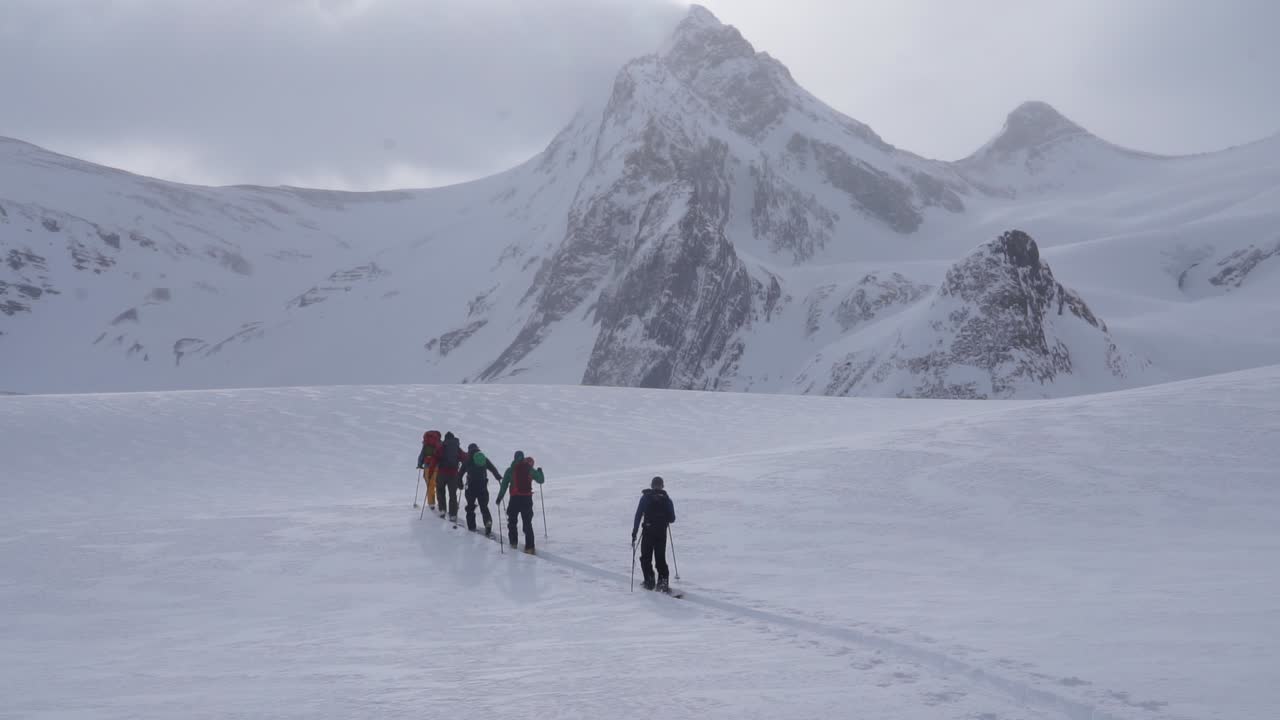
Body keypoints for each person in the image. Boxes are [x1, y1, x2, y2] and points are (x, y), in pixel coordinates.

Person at [632, 476, 676, 592]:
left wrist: (634, 532)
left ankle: (649, 581)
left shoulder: (645, 498)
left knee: (646, 557)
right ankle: (663, 584)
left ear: (652, 485)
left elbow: (638, 515)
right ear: (662, 486)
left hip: (648, 532)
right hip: (661, 533)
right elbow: (672, 519)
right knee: (660, 558)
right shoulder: (667, 499)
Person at [495, 451, 544, 554]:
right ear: (523, 458)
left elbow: (504, 486)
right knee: (527, 523)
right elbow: (540, 480)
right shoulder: (529, 468)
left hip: (515, 499)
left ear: (514, 458)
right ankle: (530, 547)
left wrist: (499, 498)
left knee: (512, 521)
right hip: (527, 499)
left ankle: (513, 543)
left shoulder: (510, 470)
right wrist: (540, 471)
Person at [460, 443, 502, 535]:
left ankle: (471, 527)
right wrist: (498, 477)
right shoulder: (483, 458)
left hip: (471, 487)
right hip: (482, 486)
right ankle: (488, 522)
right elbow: (492, 468)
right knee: (484, 506)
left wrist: (459, 484)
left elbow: (460, 474)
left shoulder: (467, 460)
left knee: (470, 506)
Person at [434, 431, 465, 520]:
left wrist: (431, 471)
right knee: (452, 494)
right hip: (453, 474)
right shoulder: (456, 447)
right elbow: (464, 458)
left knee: (440, 491)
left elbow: (435, 458)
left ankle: (442, 510)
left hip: (442, 474)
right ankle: (453, 514)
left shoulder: (442, 447)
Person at [416, 430, 442, 511]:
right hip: (438, 467)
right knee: (438, 485)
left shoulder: (426, 444)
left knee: (430, 486)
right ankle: (441, 503)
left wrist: (420, 464)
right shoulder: (440, 443)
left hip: (428, 467)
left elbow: (422, 455)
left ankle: (431, 504)